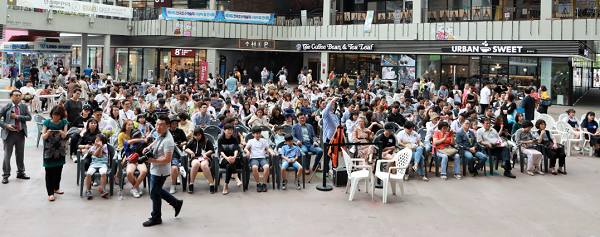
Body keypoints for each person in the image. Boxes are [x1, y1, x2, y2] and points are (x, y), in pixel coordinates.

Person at [142, 115, 184, 227]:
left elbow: (168, 159)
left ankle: (156, 217)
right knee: (156, 190)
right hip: (155, 167)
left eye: (161, 125)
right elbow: (157, 141)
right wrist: (149, 148)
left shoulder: (168, 141)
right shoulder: (161, 134)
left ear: (167, 126)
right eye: (156, 124)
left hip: (160, 171)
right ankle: (175, 202)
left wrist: (152, 160)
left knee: (154, 194)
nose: (158, 127)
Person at [1, 90, 32, 184]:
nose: (18, 97)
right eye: (16, 95)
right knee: (7, 155)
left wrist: (17, 117)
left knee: (20, 154)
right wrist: (6, 125)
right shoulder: (6, 107)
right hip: (9, 134)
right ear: (11, 96)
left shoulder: (23, 106)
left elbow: (29, 117)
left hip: (20, 133)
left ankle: (21, 172)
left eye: (20, 95)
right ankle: (6, 175)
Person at [41, 106, 68, 201]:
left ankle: (56, 188)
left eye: (57, 115)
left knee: (58, 170)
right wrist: (47, 133)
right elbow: (43, 137)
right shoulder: (46, 123)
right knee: (49, 172)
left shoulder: (64, 122)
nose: (55, 117)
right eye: (54, 115)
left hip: (60, 149)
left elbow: (65, 135)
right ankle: (50, 193)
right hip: (49, 150)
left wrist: (62, 133)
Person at [245, 126, 276, 192]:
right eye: (256, 133)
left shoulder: (264, 140)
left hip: (262, 158)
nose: (258, 135)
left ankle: (264, 183)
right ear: (253, 134)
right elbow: (246, 148)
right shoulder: (251, 141)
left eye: (259, 133)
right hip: (254, 158)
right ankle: (258, 183)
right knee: (255, 167)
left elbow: (268, 148)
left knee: (267, 167)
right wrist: (247, 152)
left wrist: (271, 152)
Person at [185, 128, 215, 194]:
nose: (197, 137)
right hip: (195, 158)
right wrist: (191, 153)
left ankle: (211, 184)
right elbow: (186, 148)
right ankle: (191, 184)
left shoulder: (207, 141)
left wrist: (206, 154)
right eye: (195, 136)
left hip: (204, 158)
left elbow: (212, 150)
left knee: (204, 165)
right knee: (195, 164)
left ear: (202, 134)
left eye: (198, 135)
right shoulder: (193, 141)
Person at [218, 123, 244, 194]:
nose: (230, 131)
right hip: (223, 158)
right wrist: (227, 158)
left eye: (231, 130)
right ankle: (236, 178)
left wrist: (234, 157)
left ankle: (225, 185)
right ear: (224, 131)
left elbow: (236, 149)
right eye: (228, 130)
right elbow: (220, 151)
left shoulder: (235, 139)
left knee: (229, 165)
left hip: (234, 159)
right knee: (229, 162)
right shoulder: (220, 140)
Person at [122, 130, 149, 198]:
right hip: (131, 161)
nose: (138, 138)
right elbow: (131, 141)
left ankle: (134, 188)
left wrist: (146, 140)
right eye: (136, 136)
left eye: (139, 136)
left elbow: (148, 144)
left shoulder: (142, 143)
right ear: (132, 136)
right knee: (129, 172)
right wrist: (142, 139)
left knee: (143, 171)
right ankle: (136, 187)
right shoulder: (127, 143)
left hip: (140, 161)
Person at [84, 135, 110, 199]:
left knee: (103, 173)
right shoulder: (93, 147)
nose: (97, 142)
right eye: (96, 140)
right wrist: (99, 147)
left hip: (103, 163)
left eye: (99, 141)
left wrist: (101, 147)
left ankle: (103, 189)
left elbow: (100, 156)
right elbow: (95, 154)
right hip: (94, 163)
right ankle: (88, 190)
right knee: (88, 173)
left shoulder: (105, 146)